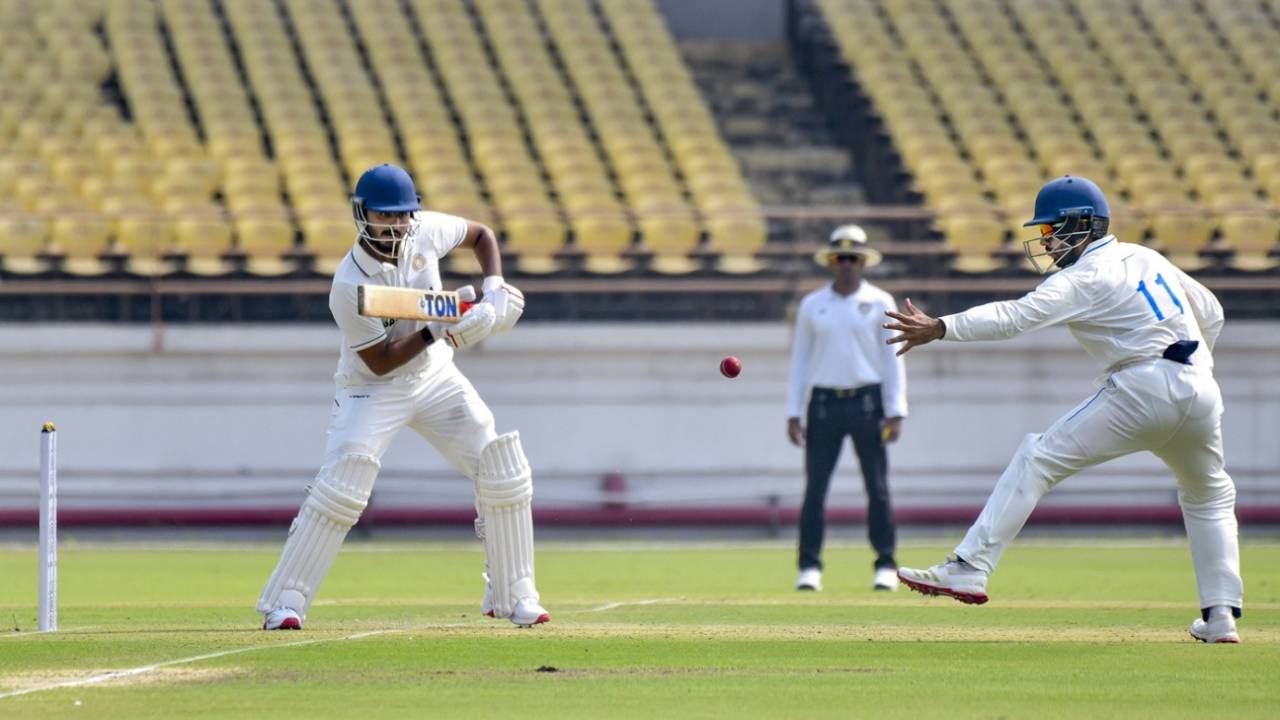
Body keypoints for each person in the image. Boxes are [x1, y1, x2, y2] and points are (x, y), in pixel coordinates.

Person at [884, 176, 1243, 643]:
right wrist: (1195, 368)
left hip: (1143, 386)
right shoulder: (1147, 256)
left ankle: (970, 566)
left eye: (1053, 231)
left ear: (1083, 225)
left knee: (1038, 458)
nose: (1047, 243)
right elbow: (1211, 312)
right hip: (1201, 388)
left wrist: (941, 327)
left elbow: (1017, 317)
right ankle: (1220, 619)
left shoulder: (1086, 275)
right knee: (1209, 496)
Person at [257, 164, 549, 630]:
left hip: (434, 377)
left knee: (501, 464)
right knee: (343, 484)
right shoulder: (349, 284)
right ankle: (285, 601)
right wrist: (443, 332)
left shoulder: (426, 230)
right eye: (383, 216)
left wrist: (493, 294)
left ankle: (514, 595)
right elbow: (380, 361)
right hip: (371, 390)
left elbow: (482, 236)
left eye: (401, 216)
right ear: (362, 215)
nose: (394, 226)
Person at [785, 224, 908, 593]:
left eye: (854, 258)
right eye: (841, 258)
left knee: (878, 487)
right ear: (831, 262)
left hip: (867, 402)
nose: (847, 265)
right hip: (823, 404)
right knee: (815, 489)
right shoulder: (812, 305)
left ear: (863, 262)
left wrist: (896, 410)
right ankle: (809, 567)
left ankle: (885, 563)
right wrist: (793, 411)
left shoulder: (880, 301)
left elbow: (892, 358)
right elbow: (800, 361)